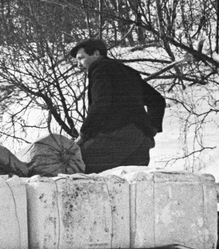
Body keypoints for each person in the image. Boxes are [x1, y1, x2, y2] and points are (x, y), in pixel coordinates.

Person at [69, 37, 165, 173]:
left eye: (81, 58)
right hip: (140, 141)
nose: (78, 64)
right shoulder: (128, 72)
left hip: (116, 137)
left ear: (96, 54)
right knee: (133, 186)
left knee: (75, 168)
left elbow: (101, 103)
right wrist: (151, 130)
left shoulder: (99, 67)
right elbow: (157, 100)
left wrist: (83, 136)